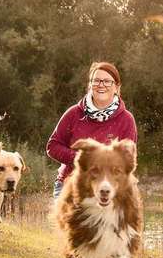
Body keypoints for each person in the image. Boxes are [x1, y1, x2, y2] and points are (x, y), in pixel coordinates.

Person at [46, 62, 138, 198]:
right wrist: (80, 158)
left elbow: (127, 159)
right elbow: (52, 146)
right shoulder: (73, 113)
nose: (101, 85)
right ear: (90, 85)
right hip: (70, 183)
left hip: (110, 186)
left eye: (107, 81)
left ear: (117, 87)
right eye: (96, 81)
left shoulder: (126, 119)